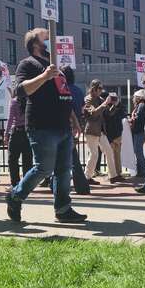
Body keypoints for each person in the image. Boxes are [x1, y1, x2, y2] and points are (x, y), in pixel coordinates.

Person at [5, 28, 86, 224]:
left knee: (63, 170)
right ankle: (15, 196)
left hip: (63, 126)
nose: (51, 40)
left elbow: (64, 95)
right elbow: (20, 90)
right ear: (35, 44)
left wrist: (74, 121)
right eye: (46, 37)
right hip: (42, 125)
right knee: (43, 169)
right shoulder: (28, 64)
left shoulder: (56, 66)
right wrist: (44, 76)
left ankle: (63, 208)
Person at [82, 80, 119, 184]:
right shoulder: (87, 100)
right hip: (92, 130)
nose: (101, 91)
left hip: (101, 131)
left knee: (109, 151)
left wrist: (114, 105)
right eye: (99, 89)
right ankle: (87, 177)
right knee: (94, 154)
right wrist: (105, 103)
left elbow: (108, 113)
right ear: (93, 88)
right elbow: (93, 113)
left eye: (101, 89)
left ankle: (113, 176)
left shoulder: (100, 99)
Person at [62, 66, 91, 195]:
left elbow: (66, 107)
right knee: (72, 157)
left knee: (66, 158)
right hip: (76, 125)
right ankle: (81, 186)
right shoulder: (79, 91)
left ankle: (56, 184)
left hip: (64, 125)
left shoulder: (63, 89)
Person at [5, 91, 32, 189]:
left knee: (12, 159)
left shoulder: (14, 102)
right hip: (28, 133)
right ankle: (27, 183)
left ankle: (15, 183)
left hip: (16, 132)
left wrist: (6, 134)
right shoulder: (30, 102)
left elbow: (10, 119)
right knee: (27, 160)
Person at [102, 91, 126, 183]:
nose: (113, 100)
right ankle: (112, 174)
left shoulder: (119, 106)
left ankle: (118, 173)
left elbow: (123, 114)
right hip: (109, 134)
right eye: (111, 98)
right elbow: (108, 115)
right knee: (110, 156)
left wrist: (118, 104)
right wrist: (114, 106)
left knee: (117, 155)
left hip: (118, 133)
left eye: (114, 98)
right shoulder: (105, 107)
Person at [129, 89, 145, 178]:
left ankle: (143, 170)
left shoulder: (141, 106)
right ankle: (141, 170)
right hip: (138, 131)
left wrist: (131, 119)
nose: (133, 99)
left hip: (139, 131)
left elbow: (139, 118)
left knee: (138, 151)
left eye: (135, 97)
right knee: (138, 151)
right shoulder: (141, 105)